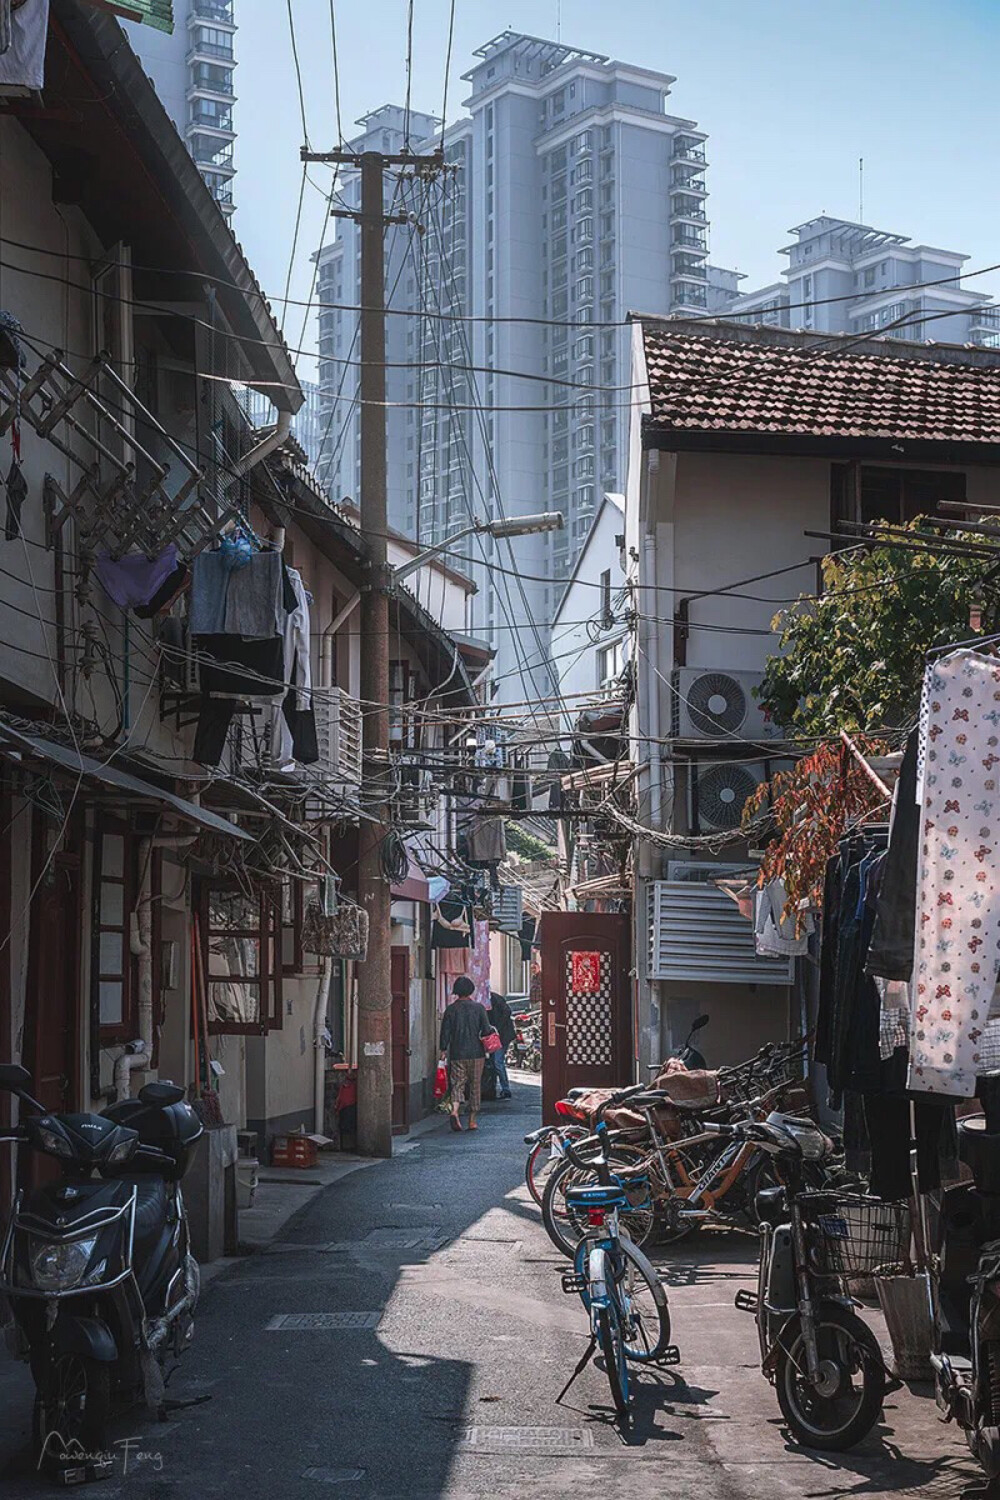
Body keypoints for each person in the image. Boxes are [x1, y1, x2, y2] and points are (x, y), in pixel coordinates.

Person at [439, 975, 491, 1132]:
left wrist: (443, 1050)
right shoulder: (479, 1008)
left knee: (457, 1084)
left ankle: (454, 1111)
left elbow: (445, 1032)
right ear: (471, 990)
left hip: (457, 1052)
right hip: (476, 1052)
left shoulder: (451, 1010)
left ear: (456, 991)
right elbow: (486, 1030)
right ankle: (472, 1120)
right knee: (475, 1085)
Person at [487, 990, 517, 1100]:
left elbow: (507, 1011)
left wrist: (496, 1028)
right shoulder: (491, 999)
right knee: (495, 1061)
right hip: (497, 1035)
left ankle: (506, 1089)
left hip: (502, 1036)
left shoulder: (495, 999)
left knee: (497, 1061)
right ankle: (497, 1088)